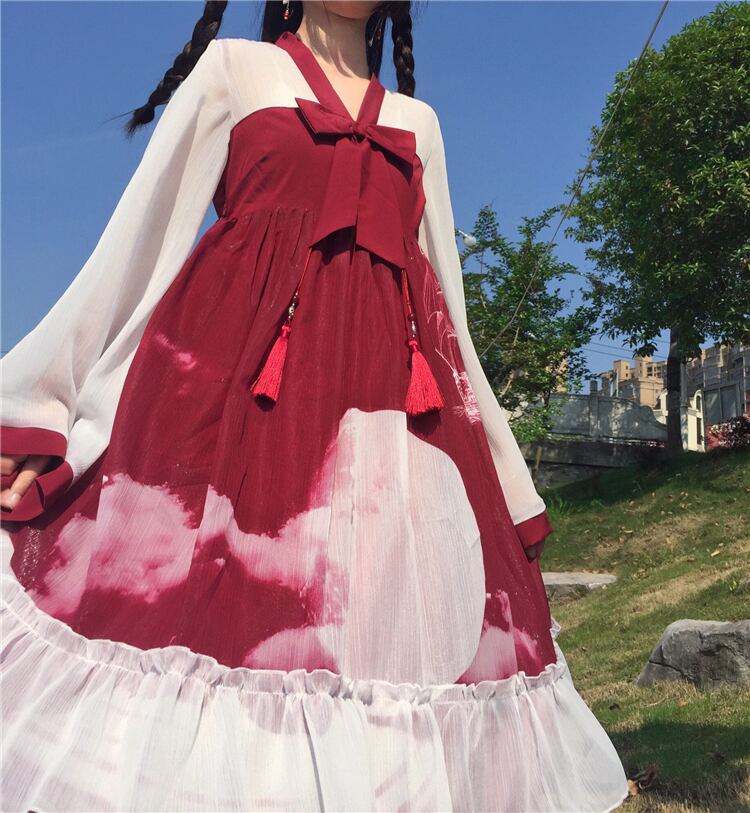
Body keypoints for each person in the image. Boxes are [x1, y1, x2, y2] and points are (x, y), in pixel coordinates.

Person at [0, 1, 629, 810]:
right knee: (222, 627)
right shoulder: (235, 71)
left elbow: (450, 316)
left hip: (388, 435)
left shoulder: (420, 126)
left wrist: (510, 480)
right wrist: (38, 404)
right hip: (235, 419)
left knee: (382, 650)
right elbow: (134, 252)